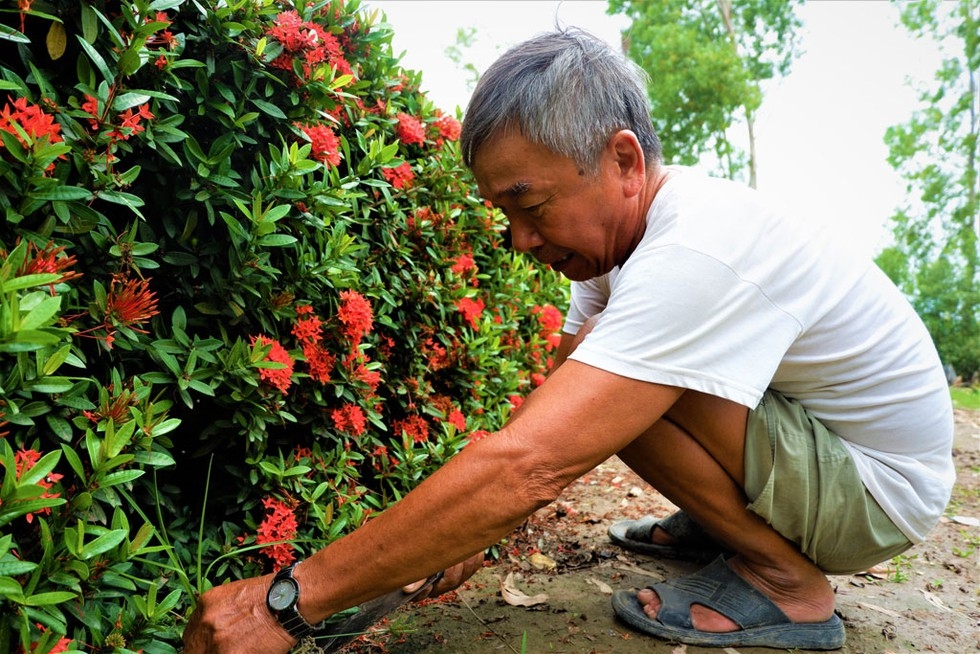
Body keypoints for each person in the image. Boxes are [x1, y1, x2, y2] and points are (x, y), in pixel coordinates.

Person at [182, 28, 955, 652]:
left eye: (531, 205)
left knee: (619, 376)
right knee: (591, 363)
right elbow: (552, 416)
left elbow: (532, 463)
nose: (519, 240)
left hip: (878, 495)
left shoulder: (695, 250)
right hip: (833, 456)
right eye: (503, 214)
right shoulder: (631, 243)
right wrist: (463, 530)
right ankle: (728, 520)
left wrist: (282, 605)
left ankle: (787, 584)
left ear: (622, 160)